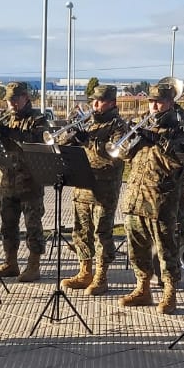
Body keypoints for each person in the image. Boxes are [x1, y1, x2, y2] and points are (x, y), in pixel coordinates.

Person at [120, 80, 184, 314]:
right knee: (137, 248)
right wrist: (131, 138)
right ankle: (142, 287)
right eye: (151, 102)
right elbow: (124, 155)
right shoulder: (142, 125)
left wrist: (158, 140)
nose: (154, 106)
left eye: (159, 102)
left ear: (170, 103)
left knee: (166, 250)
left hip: (161, 202)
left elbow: (178, 161)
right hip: (135, 197)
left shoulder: (180, 130)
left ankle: (170, 292)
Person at [55, 84, 126, 296]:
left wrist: (88, 141)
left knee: (101, 234)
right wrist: (69, 136)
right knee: (80, 232)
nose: (95, 104)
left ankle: (101, 277)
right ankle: (84, 272)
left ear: (112, 103)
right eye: (93, 100)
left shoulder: (118, 126)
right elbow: (61, 144)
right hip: (82, 184)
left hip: (104, 188)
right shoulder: (89, 122)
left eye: (100, 101)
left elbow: (115, 154)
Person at [0, 82, 50, 283]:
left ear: (25, 98)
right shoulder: (6, 118)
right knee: (8, 226)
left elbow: (36, 140)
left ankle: (33, 266)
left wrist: (10, 133)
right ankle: (11, 263)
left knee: (33, 226)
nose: (11, 104)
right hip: (8, 181)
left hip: (30, 182)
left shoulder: (38, 119)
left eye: (15, 99)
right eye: (9, 100)